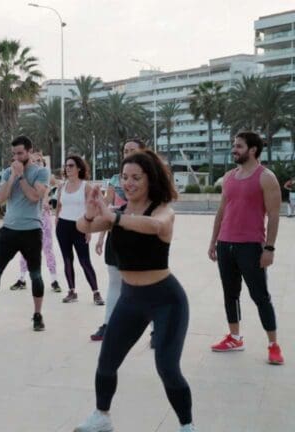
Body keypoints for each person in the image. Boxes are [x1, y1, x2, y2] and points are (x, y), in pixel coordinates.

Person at [74, 150, 195, 432]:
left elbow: (156, 226)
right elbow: (83, 227)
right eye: (125, 177)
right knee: (107, 361)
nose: (128, 183)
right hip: (130, 300)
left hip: (166, 300)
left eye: (135, 178)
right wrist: (90, 213)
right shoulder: (119, 213)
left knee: (167, 366)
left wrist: (113, 218)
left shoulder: (162, 209)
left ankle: (187, 426)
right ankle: (102, 417)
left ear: (150, 180)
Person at [208, 131, 284, 365]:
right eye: (234, 145)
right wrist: (213, 242)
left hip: (250, 246)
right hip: (226, 244)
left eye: (238, 146)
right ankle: (234, 337)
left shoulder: (266, 177)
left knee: (260, 296)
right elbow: (222, 211)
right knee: (230, 294)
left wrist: (269, 248)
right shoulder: (229, 176)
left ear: (252, 150)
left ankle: (273, 345)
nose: (234, 149)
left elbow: (273, 215)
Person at [0, 136, 50, 332]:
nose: (16, 156)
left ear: (30, 151)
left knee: (35, 275)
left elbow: (34, 197)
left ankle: (38, 315)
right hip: (9, 230)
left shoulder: (41, 172)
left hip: (31, 231)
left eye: (20, 153)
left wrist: (21, 176)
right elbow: (1, 199)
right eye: (13, 153)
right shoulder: (8, 172)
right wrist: (13, 176)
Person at [90, 139, 147, 341]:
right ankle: (108, 325)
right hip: (117, 236)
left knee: (146, 285)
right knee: (115, 282)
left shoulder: (152, 180)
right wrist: (99, 236)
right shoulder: (115, 180)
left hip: (141, 236)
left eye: (133, 150)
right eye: (125, 150)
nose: (128, 153)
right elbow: (107, 208)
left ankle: (158, 330)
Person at [9, 151, 61, 294]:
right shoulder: (27, 178)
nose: (37, 163)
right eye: (35, 161)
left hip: (43, 217)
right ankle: (22, 278)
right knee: (25, 249)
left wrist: (47, 201)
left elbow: (49, 190)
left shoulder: (44, 178)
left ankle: (54, 279)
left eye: (40, 161)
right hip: (29, 218)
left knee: (47, 248)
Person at [56, 155, 103, 305]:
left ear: (79, 168)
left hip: (80, 226)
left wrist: (88, 228)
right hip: (63, 227)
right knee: (67, 260)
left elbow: (93, 208)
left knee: (84, 261)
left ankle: (96, 293)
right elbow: (59, 205)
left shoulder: (85, 186)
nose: (67, 168)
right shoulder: (61, 187)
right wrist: (57, 219)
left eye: (71, 165)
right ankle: (71, 291)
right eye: (66, 166)